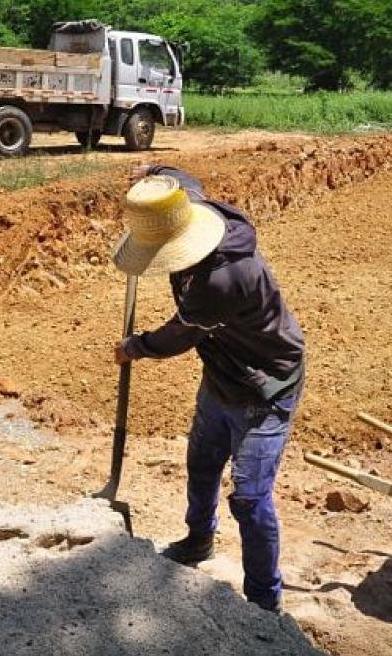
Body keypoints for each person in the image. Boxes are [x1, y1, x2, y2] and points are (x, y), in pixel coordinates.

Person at [111, 164, 305, 613]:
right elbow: (177, 178)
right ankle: (199, 541)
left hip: (265, 384)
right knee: (201, 462)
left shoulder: (221, 280)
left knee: (250, 498)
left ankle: (264, 601)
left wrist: (134, 347)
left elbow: (179, 335)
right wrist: (150, 177)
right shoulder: (187, 208)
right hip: (223, 371)